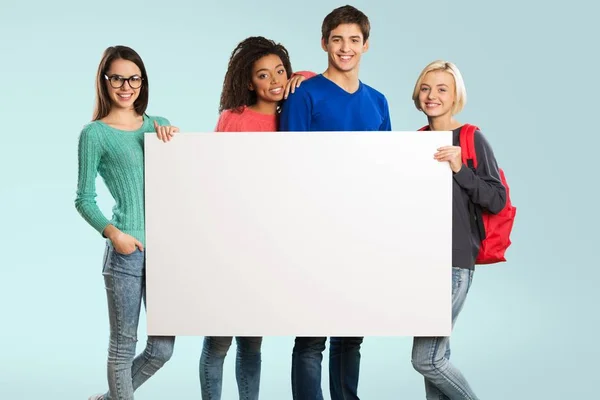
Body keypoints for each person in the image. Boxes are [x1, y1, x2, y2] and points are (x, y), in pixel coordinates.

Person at [279, 5, 391, 400]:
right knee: (311, 337)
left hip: (362, 232)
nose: (346, 48)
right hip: (315, 231)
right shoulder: (303, 95)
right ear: (324, 42)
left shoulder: (378, 102)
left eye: (354, 40)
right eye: (338, 39)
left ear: (366, 45)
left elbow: (385, 170)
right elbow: (288, 167)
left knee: (351, 336)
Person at [200, 36, 315, 400]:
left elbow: (320, 82)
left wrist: (300, 76)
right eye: (264, 75)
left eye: (280, 71)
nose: (275, 80)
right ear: (250, 83)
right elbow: (214, 177)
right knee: (218, 340)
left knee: (252, 341)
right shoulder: (232, 119)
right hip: (233, 240)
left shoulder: (292, 115)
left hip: (269, 245)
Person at [75, 45, 178, 400]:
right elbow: (83, 199)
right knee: (123, 344)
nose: (126, 85)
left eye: (133, 78)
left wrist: (174, 142)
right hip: (125, 252)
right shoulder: (95, 134)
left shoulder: (158, 126)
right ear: (105, 81)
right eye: (117, 77)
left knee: (162, 348)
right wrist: (114, 234)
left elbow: (183, 180)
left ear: (142, 82)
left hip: (165, 250)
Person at [411, 60, 507, 400]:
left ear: (455, 98)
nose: (432, 95)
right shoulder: (415, 142)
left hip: (453, 263)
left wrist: (459, 167)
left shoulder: (470, 138)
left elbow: (497, 200)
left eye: (441, 89)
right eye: (426, 88)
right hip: (422, 263)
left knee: (427, 360)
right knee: (437, 364)